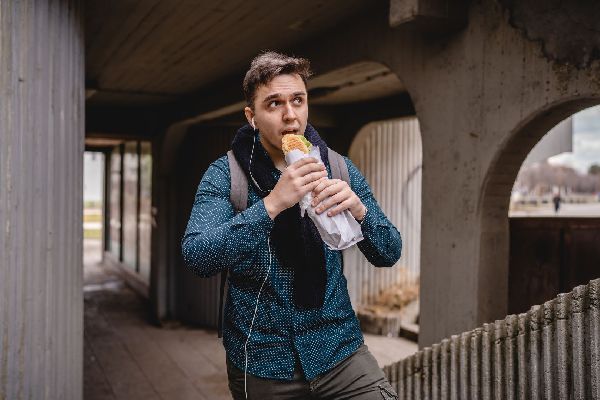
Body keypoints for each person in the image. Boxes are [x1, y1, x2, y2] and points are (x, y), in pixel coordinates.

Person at [182, 51, 402, 400]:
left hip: (340, 351)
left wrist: (360, 211)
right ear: (251, 117)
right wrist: (272, 205)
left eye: (298, 100)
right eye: (274, 104)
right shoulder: (226, 175)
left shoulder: (338, 168)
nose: (290, 115)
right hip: (263, 362)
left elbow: (390, 251)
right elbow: (197, 255)